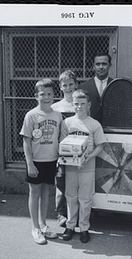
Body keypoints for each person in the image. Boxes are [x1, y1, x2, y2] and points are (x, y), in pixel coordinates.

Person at [20, 78, 63, 245]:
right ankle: (35, 228)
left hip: (51, 160)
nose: (46, 97)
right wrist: (30, 163)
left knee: (46, 193)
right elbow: (26, 141)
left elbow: (60, 139)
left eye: (50, 94)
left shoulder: (57, 115)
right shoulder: (31, 115)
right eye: (42, 94)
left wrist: (59, 160)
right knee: (35, 193)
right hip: (36, 161)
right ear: (36, 96)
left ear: (54, 95)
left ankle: (44, 225)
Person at [60, 89, 106, 243]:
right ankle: (70, 226)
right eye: (76, 104)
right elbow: (62, 145)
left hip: (87, 167)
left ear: (89, 105)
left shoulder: (94, 124)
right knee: (71, 196)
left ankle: (84, 227)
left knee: (85, 199)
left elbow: (100, 146)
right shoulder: (67, 123)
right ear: (72, 105)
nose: (79, 107)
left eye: (82, 104)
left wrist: (88, 157)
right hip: (71, 167)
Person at [51, 70, 77, 227]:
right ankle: (61, 213)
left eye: (71, 84)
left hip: (76, 151)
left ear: (76, 84)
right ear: (60, 87)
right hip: (60, 150)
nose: (68, 88)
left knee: (75, 182)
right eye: (65, 85)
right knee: (60, 181)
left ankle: (75, 212)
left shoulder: (80, 104)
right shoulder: (55, 107)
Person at [79, 52, 113, 123]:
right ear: (93, 66)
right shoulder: (83, 87)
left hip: (111, 128)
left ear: (109, 66)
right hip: (89, 128)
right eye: (98, 64)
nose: (101, 67)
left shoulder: (115, 85)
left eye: (104, 64)